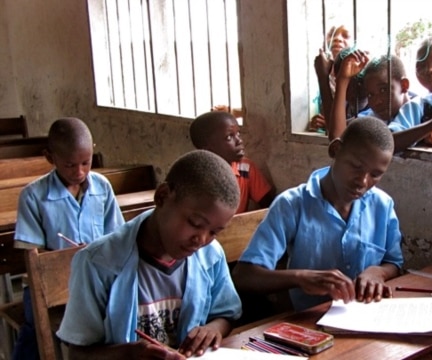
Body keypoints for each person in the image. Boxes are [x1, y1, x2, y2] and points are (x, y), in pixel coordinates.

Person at [57, 150, 243, 360]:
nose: (201, 240)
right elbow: (78, 354)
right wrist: (128, 353)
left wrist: (213, 328)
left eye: (214, 232)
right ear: (162, 196)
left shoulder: (211, 255)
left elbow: (226, 314)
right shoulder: (97, 263)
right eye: (195, 224)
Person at [232, 117, 404, 311]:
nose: (363, 182)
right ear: (336, 150)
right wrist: (302, 277)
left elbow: (394, 262)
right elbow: (244, 276)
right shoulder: (292, 205)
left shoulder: (382, 205)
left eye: (375, 174)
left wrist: (378, 272)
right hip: (308, 322)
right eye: (356, 166)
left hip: (364, 316)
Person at [12, 117, 125, 360]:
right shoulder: (34, 196)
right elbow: (33, 254)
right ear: (50, 158)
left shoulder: (102, 187)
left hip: (96, 278)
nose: (80, 172)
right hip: (48, 283)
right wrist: (64, 257)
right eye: (70, 165)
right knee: (35, 326)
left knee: (119, 314)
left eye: (86, 162)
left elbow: (117, 235)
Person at [190, 111, 275, 213]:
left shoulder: (245, 169)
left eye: (238, 133)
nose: (239, 140)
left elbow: (269, 207)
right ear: (208, 149)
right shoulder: (197, 178)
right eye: (229, 137)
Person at [327, 50, 413, 141]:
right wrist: (342, 79)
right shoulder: (373, 117)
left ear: (404, 85)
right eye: (370, 95)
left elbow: (389, 142)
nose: (377, 101)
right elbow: (337, 137)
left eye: (383, 90)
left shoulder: (420, 109)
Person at [310, 26, 352, 133]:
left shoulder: (358, 79)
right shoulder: (313, 89)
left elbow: (338, 133)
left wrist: (329, 123)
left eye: (345, 35)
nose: (337, 38)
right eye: (332, 34)